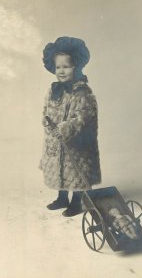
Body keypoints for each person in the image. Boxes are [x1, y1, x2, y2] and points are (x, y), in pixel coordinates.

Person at [39, 36, 101, 217]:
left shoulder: (82, 91)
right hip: (57, 140)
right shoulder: (54, 90)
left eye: (66, 66)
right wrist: (47, 121)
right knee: (61, 171)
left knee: (76, 170)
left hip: (77, 142)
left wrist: (65, 127)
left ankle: (77, 201)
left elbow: (83, 116)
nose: (61, 71)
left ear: (77, 67)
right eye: (58, 67)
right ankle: (62, 197)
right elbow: (47, 109)